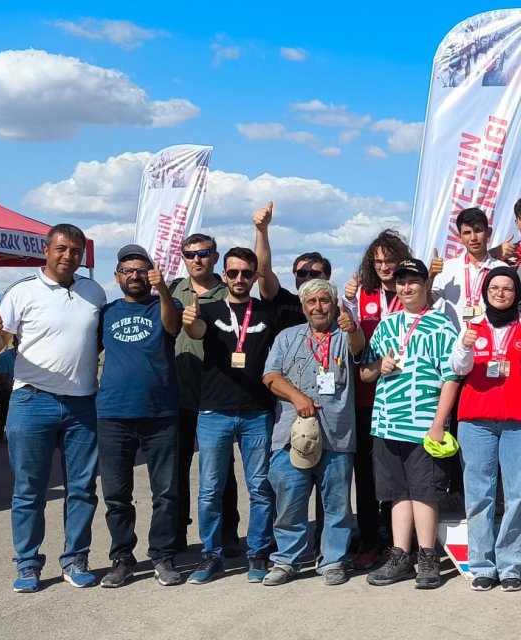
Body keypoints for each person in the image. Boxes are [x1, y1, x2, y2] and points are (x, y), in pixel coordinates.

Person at [0, 224, 107, 593]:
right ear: (46, 250)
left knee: (82, 489)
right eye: (61, 249)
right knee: (29, 490)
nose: (68, 256)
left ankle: (76, 559)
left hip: (82, 404)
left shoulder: (94, 291)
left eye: (75, 251)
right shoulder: (22, 291)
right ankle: (28, 564)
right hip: (32, 401)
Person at [182, 247, 282, 585]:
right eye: (234, 273)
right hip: (214, 411)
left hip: (257, 411)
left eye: (247, 273)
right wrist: (192, 323)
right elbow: (196, 333)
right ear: (224, 276)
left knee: (260, 488)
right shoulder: (208, 311)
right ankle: (212, 554)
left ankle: (258, 552)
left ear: (255, 277)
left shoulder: (268, 312)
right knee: (210, 489)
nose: (240, 279)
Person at [359, 258, 460, 590]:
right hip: (387, 422)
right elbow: (365, 373)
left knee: (424, 492)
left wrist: (438, 423)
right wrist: (379, 365)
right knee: (395, 493)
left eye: (413, 281)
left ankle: (427, 555)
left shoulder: (443, 326)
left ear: (425, 284)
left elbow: (451, 378)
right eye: (401, 282)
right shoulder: (386, 325)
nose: (406, 287)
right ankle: (400, 554)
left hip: (424, 423)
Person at [260, 279, 364, 587]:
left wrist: (352, 327)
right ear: (304, 307)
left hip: (337, 435)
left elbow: (359, 348)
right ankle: (287, 560)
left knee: (337, 505)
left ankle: (333, 559)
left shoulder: (345, 336)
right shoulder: (287, 337)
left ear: (333, 304)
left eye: (324, 300)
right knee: (289, 501)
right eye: (311, 302)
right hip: (291, 436)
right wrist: (297, 397)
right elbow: (270, 375)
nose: (318, 307)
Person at [449, 267, 521, 593]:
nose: (501, 293)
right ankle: (481, 566)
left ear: (516, 294)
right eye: (495, 288)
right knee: (479, 495)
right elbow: (458, 369)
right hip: (476, 422)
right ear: (485, 292)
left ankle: (510, 565)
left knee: (518, 495)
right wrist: (464, 345)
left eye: (507, 288)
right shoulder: (472, 327)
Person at [95, 244, 183, 588]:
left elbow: (173, 327)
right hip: (113, 414)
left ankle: (162, 556)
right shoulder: (107, 312)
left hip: (160, 413)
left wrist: (162, 289)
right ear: (117, 276)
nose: (134, 275)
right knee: (116, 494)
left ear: (151, 273)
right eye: (127, 270)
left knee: (166, 492)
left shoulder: (167, 304)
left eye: (140, 270)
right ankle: (122, 558)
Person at [341, 229, 411, 568]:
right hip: (367, 394)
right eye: (378, 261)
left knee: (398, 470)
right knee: (366, 472)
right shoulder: (362, 295)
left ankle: (400, 540)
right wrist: (349, 305)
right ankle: (370, 538)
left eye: (390, 260)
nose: (384, 266)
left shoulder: (410, 292)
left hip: (404, 395)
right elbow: (352, 339)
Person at [169, 232, 239, 552]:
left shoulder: (229, 294)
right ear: (183, 257)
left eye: (203, 253)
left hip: (217, 395)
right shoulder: (172, 292)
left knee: (221, 470)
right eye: (190, 254)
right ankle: (178, 531)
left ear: (215, 256)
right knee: (177, 468)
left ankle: (227, 531)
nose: (196, 259)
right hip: (179, 394)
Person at [252, 200, 334, 329]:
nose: (307, 278)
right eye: (301, 273)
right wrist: (261, 230)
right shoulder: (283, 302)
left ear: (327, 276)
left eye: (314, 274)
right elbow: (263, 272)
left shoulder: (335, 309)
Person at [429, 207, 508, 326]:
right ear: (459, 237)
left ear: (488, 233)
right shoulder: (447, 268)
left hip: (491, 341)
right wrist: (430, 277)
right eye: (467, 233)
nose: (473, 238)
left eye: (478, 230)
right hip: (456, 340)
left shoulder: (502, 269)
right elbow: (428, 303)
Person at [0, 336, 15, 443]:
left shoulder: (32, 357)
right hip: (6, 392)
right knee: (5, 398)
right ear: (14, 342)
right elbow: (3, 383)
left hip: (24, 391)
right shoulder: (5, 357)